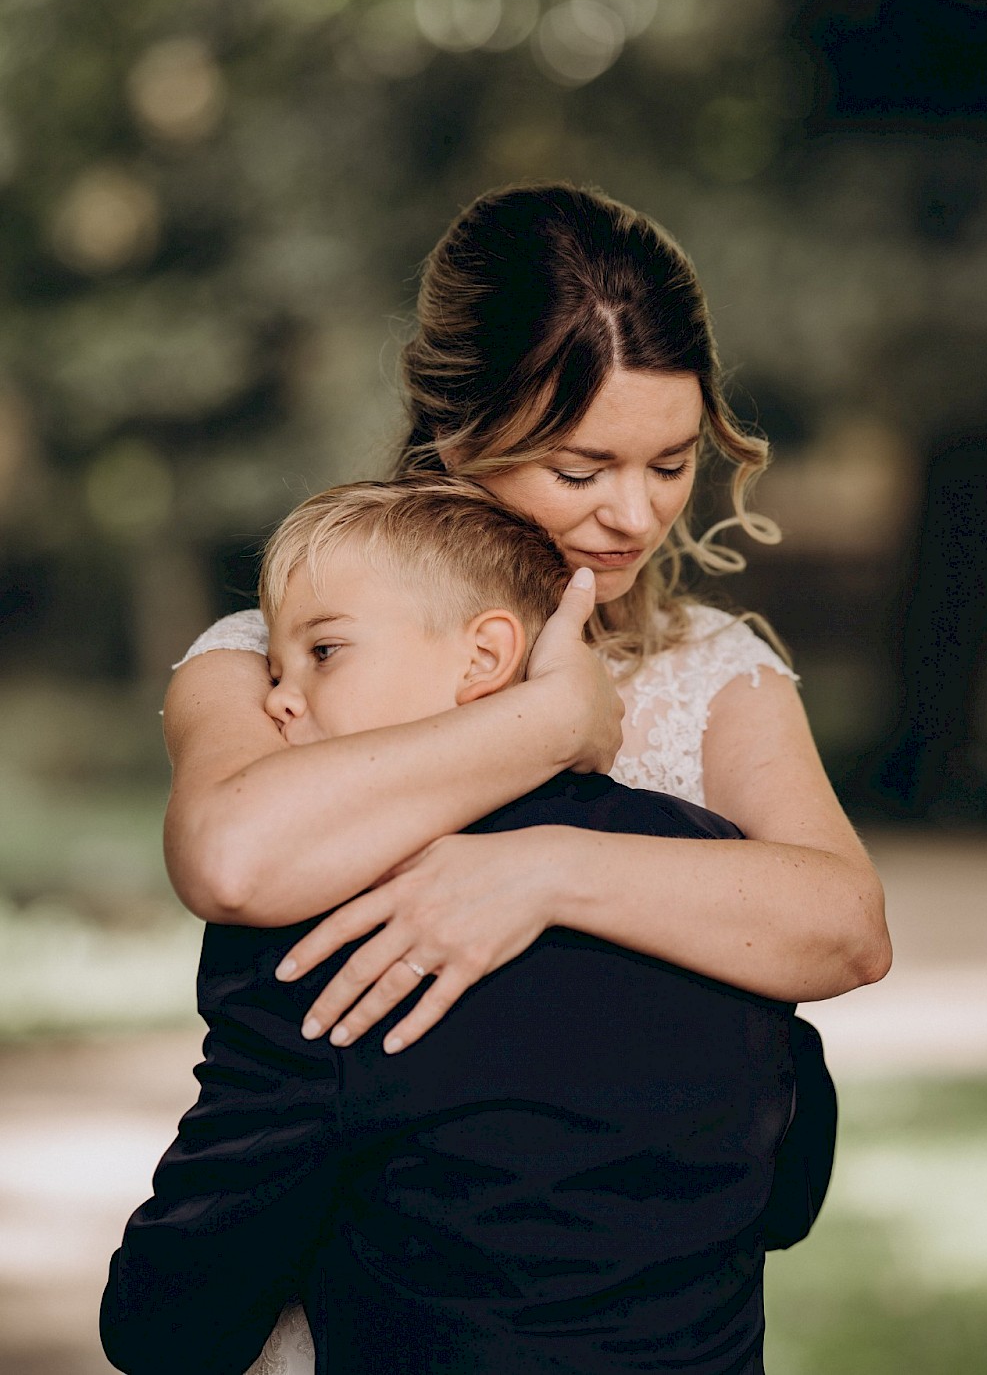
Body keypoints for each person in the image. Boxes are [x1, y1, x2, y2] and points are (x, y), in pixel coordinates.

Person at [159, 183, 890, 1367]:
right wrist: (552, 721)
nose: (633, 513)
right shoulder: (278, 659)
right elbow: (234, 858)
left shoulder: (711, 668)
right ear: (460, 433)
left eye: (668, 463)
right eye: (580, 466)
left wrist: (546, 871)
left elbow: (845, 928)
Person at [102, 476, 824, 1375]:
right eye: (277, 671)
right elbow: (788, 1190)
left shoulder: (328, 924)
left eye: (324, 654)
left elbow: (170, 1322)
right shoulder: (717, 875)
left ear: (486, 659)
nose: (279, 701)